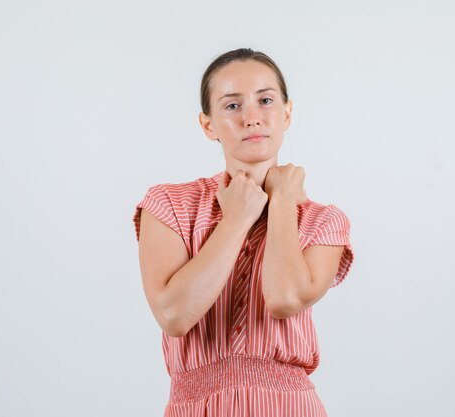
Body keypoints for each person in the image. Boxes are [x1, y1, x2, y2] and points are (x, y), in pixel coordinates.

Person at [132, 47, 355, 417]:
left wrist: (282, 201)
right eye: (232, 105)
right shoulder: (169, 204)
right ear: (208, 125)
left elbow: (284, 297)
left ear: (286, 113)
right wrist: (237, 218)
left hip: (290, 407)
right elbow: (173, 315)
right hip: (195, 407)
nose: (252, 117)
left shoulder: (323, 221)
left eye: (265, 100)